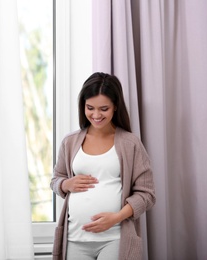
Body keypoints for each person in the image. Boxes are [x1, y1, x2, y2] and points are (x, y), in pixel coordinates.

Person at [50, 72, 156, 260]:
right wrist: (66, 185)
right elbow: (56, 180)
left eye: (104, 109)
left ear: (115, 107)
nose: (96, 115)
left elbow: (147, 194)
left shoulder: (130, 143)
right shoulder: (70, 142)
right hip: (75, 238)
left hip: (115, 237)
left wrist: (116, 218)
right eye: (90, 108)